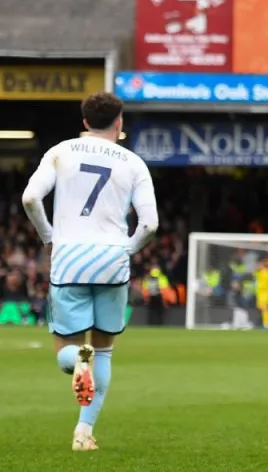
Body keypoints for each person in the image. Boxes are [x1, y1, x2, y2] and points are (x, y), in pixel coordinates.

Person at [21, 92, 158, 452]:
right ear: (119, 122)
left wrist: (49, 238)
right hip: (112, 261)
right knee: (106, 351)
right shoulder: (133, 162)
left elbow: (30, 198)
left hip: (70, 259)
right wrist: (126, 249)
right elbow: (150, 224)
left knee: (68, 348)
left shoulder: (60, 152)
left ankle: (76, 360)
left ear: (84, 122)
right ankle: (84, 433)